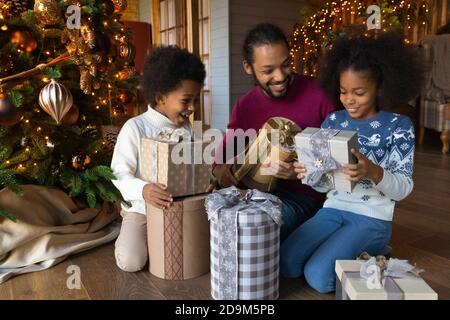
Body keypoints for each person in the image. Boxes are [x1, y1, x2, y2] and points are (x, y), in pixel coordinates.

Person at [280, 31, 424, 293]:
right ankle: (349, 246)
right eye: (344, 91)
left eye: (359, 92)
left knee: (319, 277)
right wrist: (309, 173)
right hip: (332, 210)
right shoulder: (333, 122)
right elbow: (325, 186)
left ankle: (376, 245)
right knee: (287, 263)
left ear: (380, 87)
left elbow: (403, 188)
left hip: (371, 218)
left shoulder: (399, 126)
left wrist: (373, 171)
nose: (349, 100)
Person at [212, 23, 337, 241]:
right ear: (248, 67)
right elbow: (219, 163)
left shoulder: (320, 94)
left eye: (286, 64)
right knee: (218, 219)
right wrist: (228, 173)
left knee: (257, 229)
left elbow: (341, 160)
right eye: (268, 70)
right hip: (257, 194)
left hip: (305, 197)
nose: (280, 76)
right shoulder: (245, 106)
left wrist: (300, 172)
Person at [110, 46, 206, 272]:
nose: (192, 108)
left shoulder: (187, 129)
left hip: (180, 207)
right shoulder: (135, 128)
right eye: (185, 101)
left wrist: (205, 181)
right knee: (131, 261)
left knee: (196, 253)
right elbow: (117, 174)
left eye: (196, 100)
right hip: (142, 209)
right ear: (161, 97)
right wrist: (144, 190)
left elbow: (193, 168)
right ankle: (127, 232)